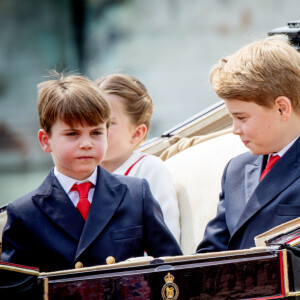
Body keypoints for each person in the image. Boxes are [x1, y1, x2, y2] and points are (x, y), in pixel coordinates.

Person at [1, 72, 182, 272]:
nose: (86, 144)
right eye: (72, 134)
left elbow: (170, 268)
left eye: (96, 132)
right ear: (45, 140)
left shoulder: (136, 194)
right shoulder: (24, 213)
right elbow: (16, 287)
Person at [197, 35, 300, 253]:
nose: (235, 129)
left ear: (282, 108)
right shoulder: (236, 170)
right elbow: (211, 253)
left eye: (242, 118)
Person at [96, 74, 180, 243]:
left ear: (137, 133)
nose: (95, 128)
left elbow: (165, 243)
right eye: (89, 120)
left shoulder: (149, 170)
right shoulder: (79, 174)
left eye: (107, 123)